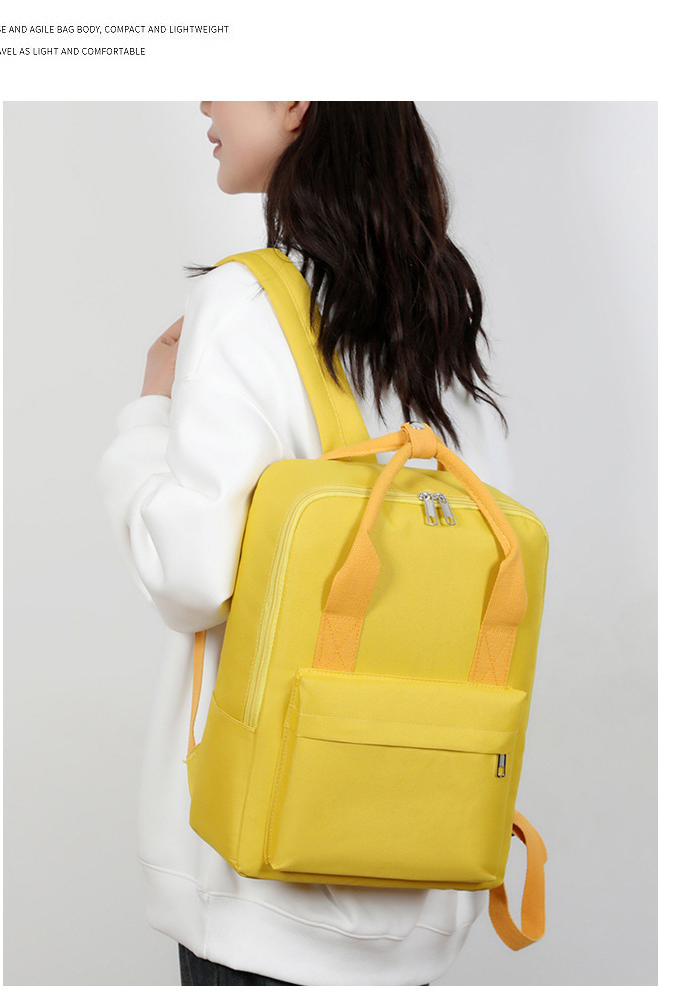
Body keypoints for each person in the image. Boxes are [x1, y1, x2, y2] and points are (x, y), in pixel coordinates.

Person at [97, 101, 512, 987]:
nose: (206, 101)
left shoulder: (246, 299)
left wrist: (147, 416)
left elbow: (190, 577)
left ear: (295, 100)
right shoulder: (440, 310)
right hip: (424, 873)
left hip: (262, 898)